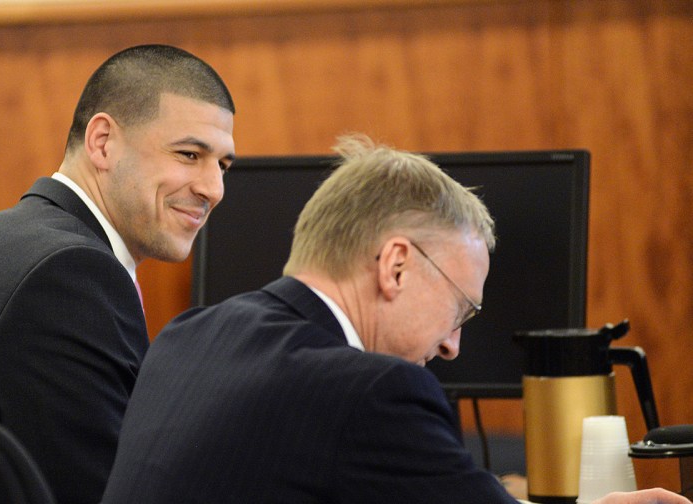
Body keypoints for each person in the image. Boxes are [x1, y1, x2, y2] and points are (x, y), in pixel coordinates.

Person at [101, 135, 689, 504]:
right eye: (461, 308)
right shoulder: (370, 392)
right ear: (397, 266)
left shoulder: (190, 335)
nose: (455, 345)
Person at [0, 44, 235, 504]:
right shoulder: (69, 275)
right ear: (102, 142)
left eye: (222, 164)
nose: (213, 189)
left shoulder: (10, 239)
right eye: (188, 154)